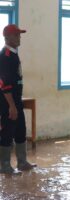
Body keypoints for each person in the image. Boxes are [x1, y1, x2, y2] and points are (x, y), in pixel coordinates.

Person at [0, 24, 37, 174]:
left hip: (16, 100)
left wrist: (17, 103)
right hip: (7, 102)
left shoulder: (14, 54)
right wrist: (11, 106)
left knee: (21, 130)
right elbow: (4, 83)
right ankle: (5, 165)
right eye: (16, 35)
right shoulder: (5, 56)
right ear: (7, 37)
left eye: (19, 35)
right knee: (7, 132)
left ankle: (22, 162)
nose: (19, 38)